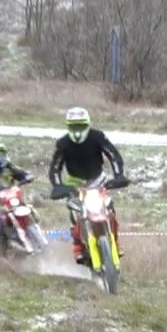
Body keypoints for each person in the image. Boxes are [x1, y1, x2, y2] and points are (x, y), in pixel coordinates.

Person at [47, 107, 129, 265]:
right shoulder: (63, 143)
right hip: (74, 183)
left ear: (87, 124)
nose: (77, 130)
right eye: (74, 126)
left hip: (98, 179)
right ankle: (78, 246)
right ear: (68, 126)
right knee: (75, 213)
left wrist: (118, 176)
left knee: (109, 208)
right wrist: (58, 186)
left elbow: (113, 155)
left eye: (81, 126)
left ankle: (116, 242)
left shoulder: (97, 137)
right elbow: (55, 167)